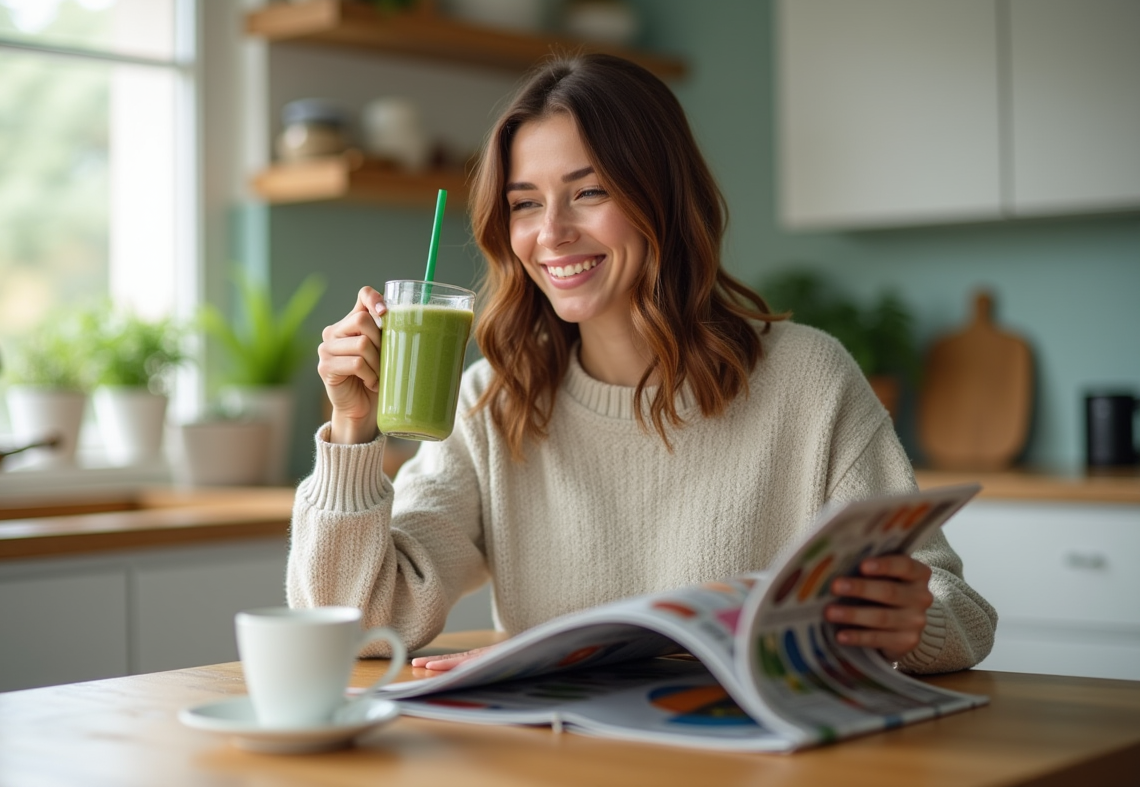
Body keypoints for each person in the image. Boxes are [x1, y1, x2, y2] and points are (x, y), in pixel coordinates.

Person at [291, 53, 995, 675]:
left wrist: (910, 624)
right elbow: (356, 631)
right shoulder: (495, 403)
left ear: (661, 196)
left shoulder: (808, 381)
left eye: (589, 192)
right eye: (525, 204)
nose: (552, 233)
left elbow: (959, 613)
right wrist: (352, 430)